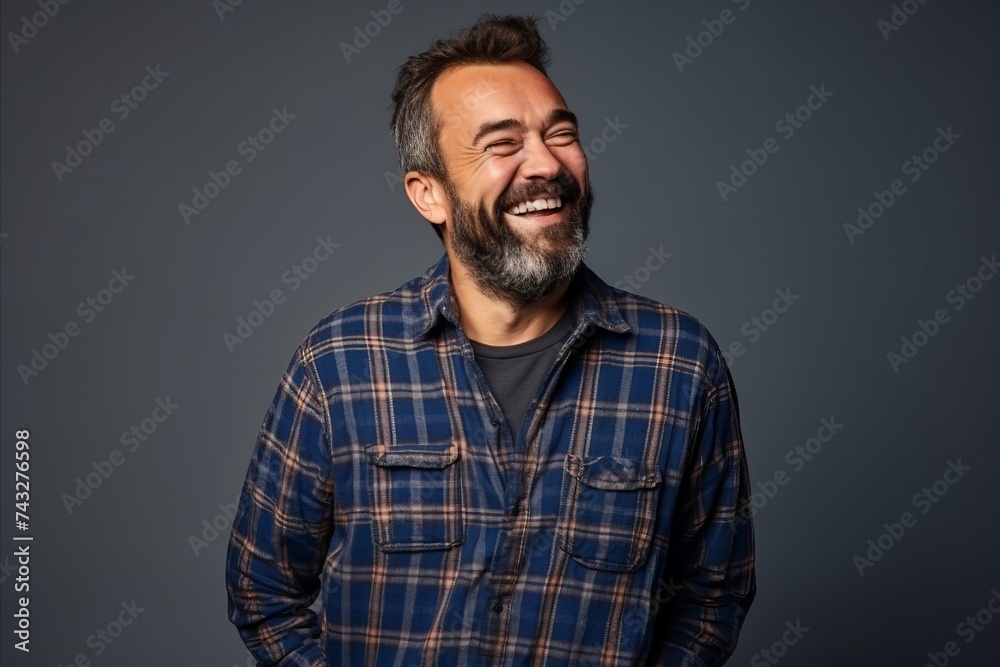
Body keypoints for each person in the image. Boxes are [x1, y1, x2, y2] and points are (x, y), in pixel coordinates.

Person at [226, 14, 755, 666]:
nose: (546, 163)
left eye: (561, 134)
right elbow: (263, 590)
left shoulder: (680, 363)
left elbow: (713, 594)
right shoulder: (339, 361)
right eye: (503, 144)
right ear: (430, 195)